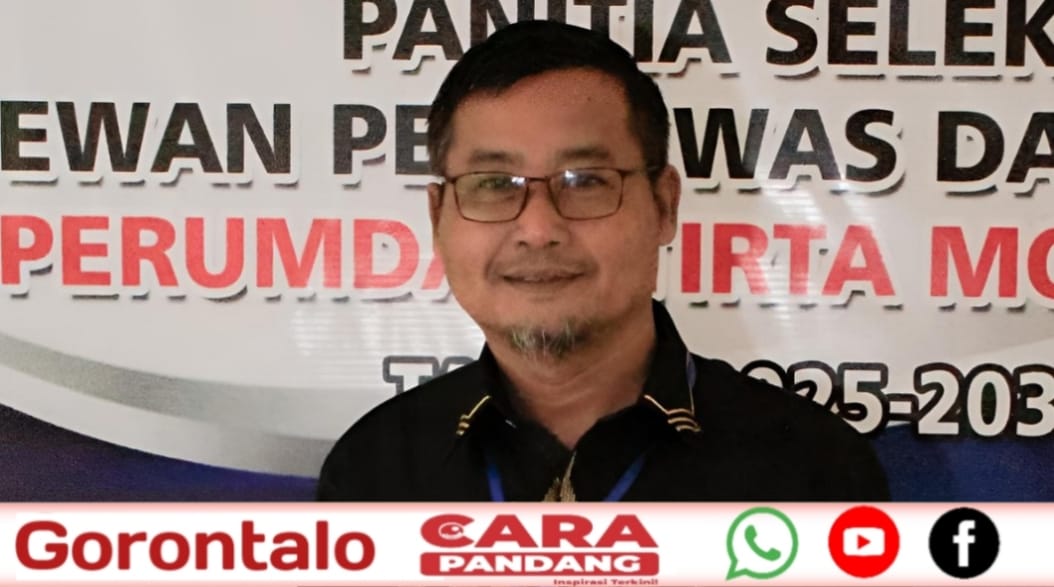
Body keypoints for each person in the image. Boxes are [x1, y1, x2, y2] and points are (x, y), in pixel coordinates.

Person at [317, 20, 889, 501]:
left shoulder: (811, 471)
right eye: (492, 183)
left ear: (664, 205)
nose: (538, 229)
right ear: (438, 216)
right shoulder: (375, 472)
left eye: (585, 181)